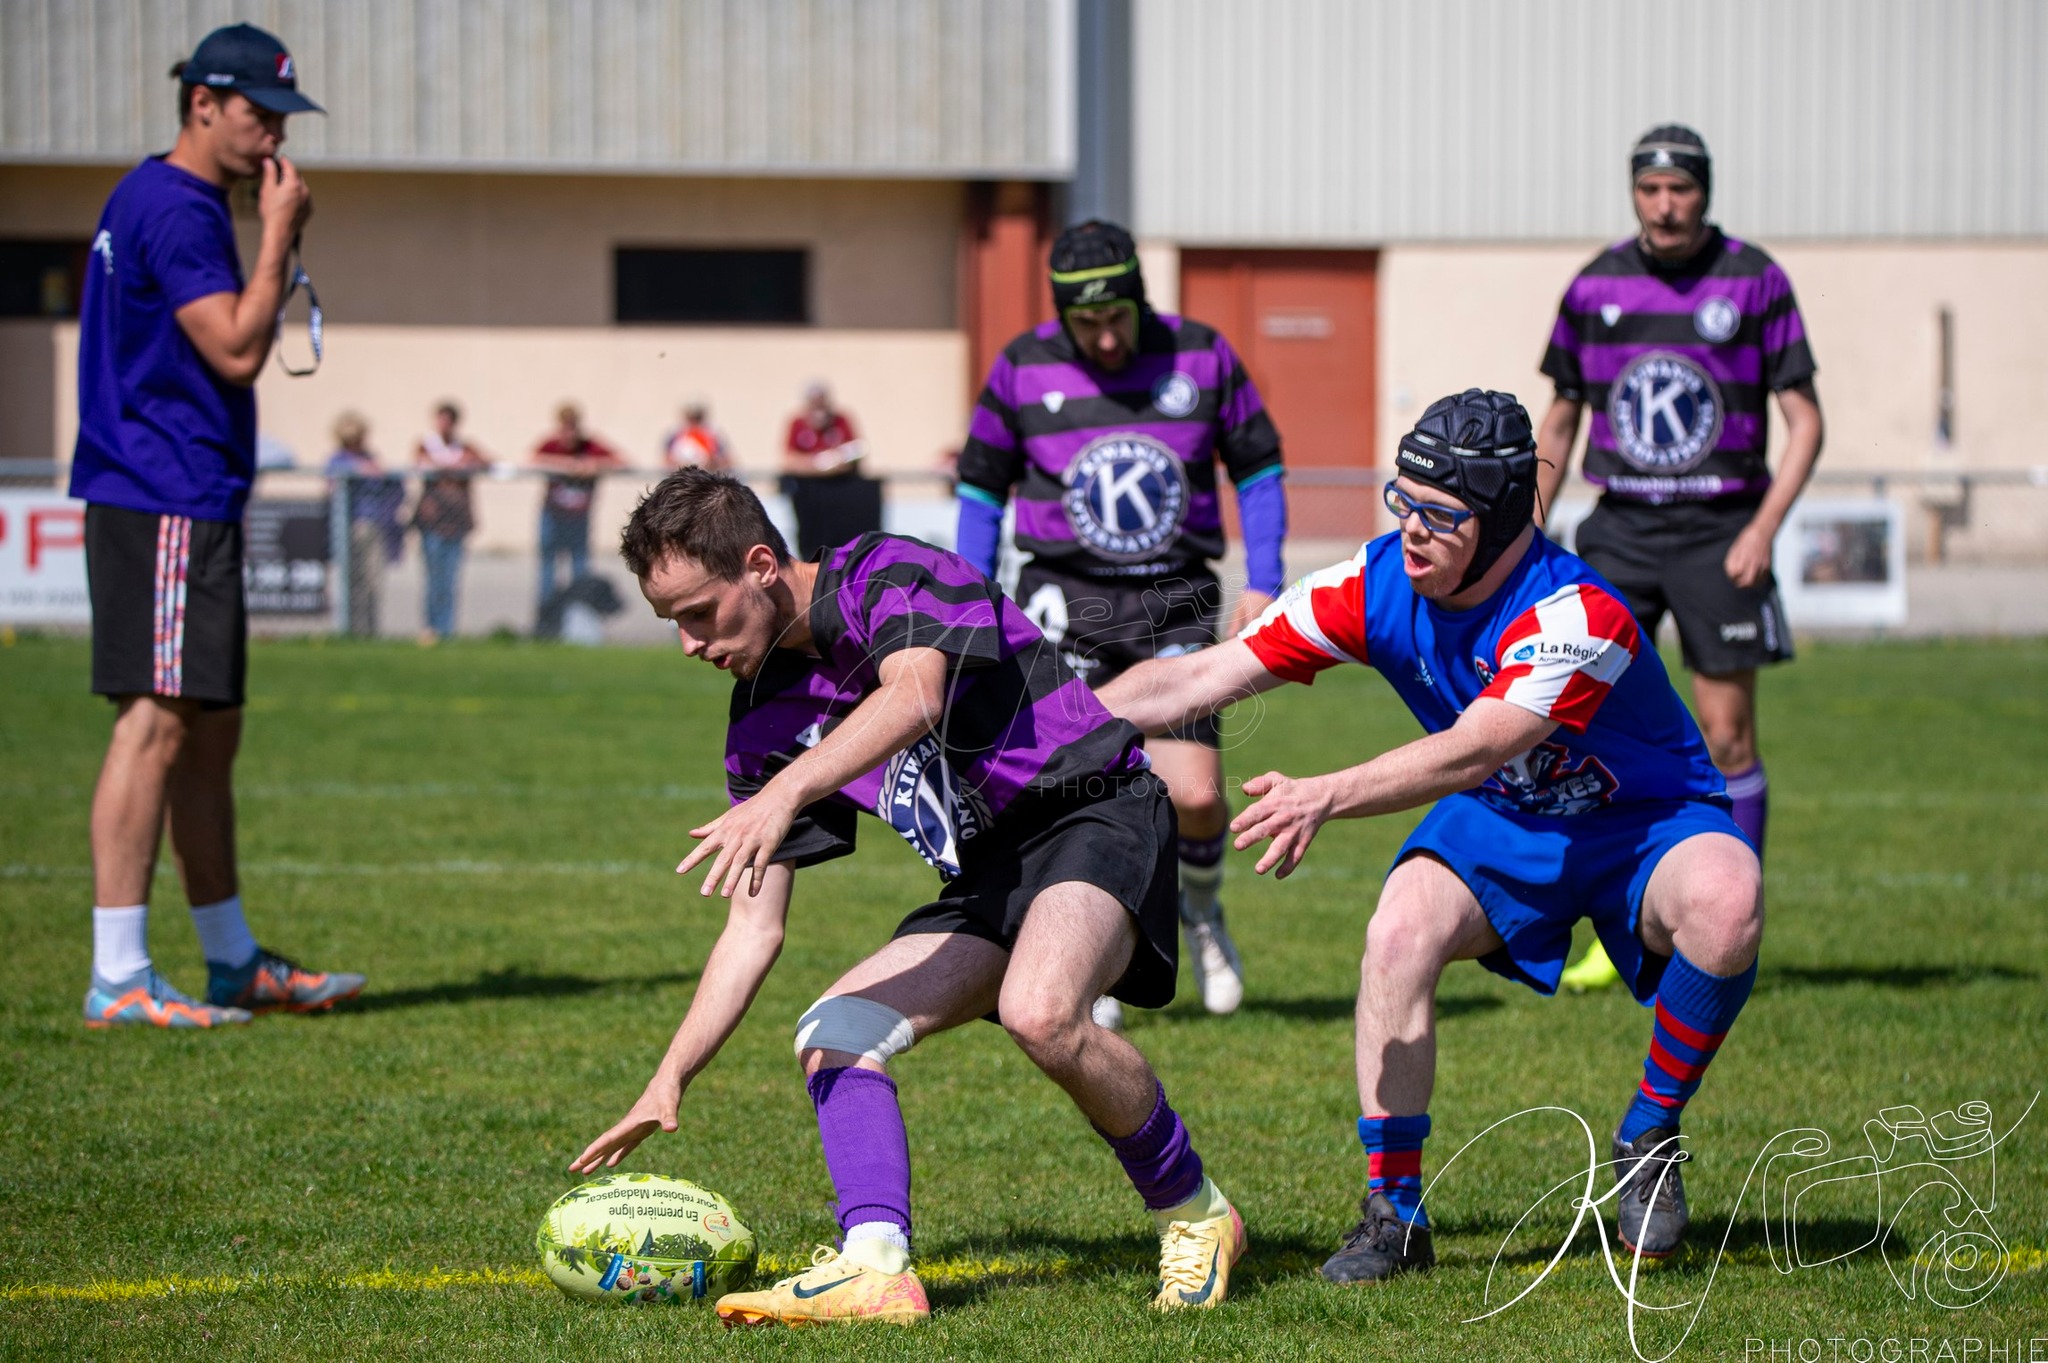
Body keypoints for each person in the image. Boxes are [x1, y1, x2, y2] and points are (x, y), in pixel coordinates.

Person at [1099, 391, 1763, 1279]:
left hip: (1643, 820)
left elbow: (1475, 746)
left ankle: (1648, 1131)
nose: (1411, 529)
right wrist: (1050, 729)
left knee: (1730, 895)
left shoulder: (1578, 610)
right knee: (1398, 932)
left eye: (1439, 515)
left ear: (1497, 524)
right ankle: (1394, 1216)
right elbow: (1200, 677)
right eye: (1401, 501)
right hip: (1506, 815)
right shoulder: (1373, 582)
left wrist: (1324, 793)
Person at [573, 469, 1245, 1326]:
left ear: (760, 565)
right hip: (990, 871)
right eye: (672, 624)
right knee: (834, 1030)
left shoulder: (886, 572)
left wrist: (780, 799)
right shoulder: (763, 719)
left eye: (698, 613)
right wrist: (667, 1078)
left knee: (1041, 1012)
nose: (691, 645)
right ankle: (875, 1266)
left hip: (1094, 807)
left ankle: (1198, 1214)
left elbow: (915, 693)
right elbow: (752, 927)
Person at [70, 22, 364, 1027]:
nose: (272, 135)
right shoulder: (178, 205)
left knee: (208, 736)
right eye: (258, 112)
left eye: (281, 116)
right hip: (161, 495)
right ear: (202, 101)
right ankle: (117, 975)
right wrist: (280, 232)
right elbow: (237, 349)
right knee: (153, 725)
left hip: (187, 494)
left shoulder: (164, 197)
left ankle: (232, 960)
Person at [953, 219, 1288, 1027]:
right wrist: (969, 593)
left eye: (1117, 319)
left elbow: (1259, 466)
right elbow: (980, 487)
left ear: (1140, 298)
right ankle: (1093, 961)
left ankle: (1202, 910)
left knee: (1197, 796)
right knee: (1077, 784)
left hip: (1173, 597)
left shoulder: (1202, 356)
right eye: (1086, 324)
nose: (1104, 338)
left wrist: (1266, 578)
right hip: (1061, 599)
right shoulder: (1022, 367)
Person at [1534, 126, 1821, 993]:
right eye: (1650, 189)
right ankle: (1611, 931)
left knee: (1727, 733)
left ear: (1704, 191)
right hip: (1619, 530)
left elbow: (1805, 421)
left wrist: (1763, 527)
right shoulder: (1596, 284)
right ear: (1634, 193)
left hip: (1718, 534)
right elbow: (1560, 417)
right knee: (1590, 730)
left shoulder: (1755, 280)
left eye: (1681, 190)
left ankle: (1733, 927)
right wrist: (1532, 526)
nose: (1665, 205)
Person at [531, 402, 624, 621]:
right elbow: (533, 459)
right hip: (553, 518)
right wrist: (566, 465)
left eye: (572, 427)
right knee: (548, 570)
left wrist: (592, 465)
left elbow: (620, 460)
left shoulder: (589, 446)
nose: (569, 433)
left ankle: (579, 619)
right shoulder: (551, 446)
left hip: (579, 520)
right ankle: (546, 620)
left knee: (580, 570)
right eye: (565, 427)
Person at [412, 400, 489, 643]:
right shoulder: (426, 445)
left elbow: (487, 462)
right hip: (432, 524)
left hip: (456, 524)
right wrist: (452, 466)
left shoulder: (465, 447)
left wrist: (464, 464)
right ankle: (430, 628)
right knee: (433, 579)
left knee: (450, 580)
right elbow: (421, 463)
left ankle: (447, 630)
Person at [324, 411, 404, 636]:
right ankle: (349, 630)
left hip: (372, 526)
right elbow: (330, 484)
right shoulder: (337, 460)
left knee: (372, 582)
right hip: (348, 527)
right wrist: (356, 470)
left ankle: (369, 631)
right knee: (350, 582)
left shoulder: (371, 458)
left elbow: (391, 485)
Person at [662, 399, 731, 471]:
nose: (694, 422)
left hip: (705, 476)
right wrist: (680, 464)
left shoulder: (712, 435)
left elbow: (726, 460)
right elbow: (666, 459)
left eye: (697, 418)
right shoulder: (676, 435)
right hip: (681, 477)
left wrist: (712, 462)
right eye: (691, 418)